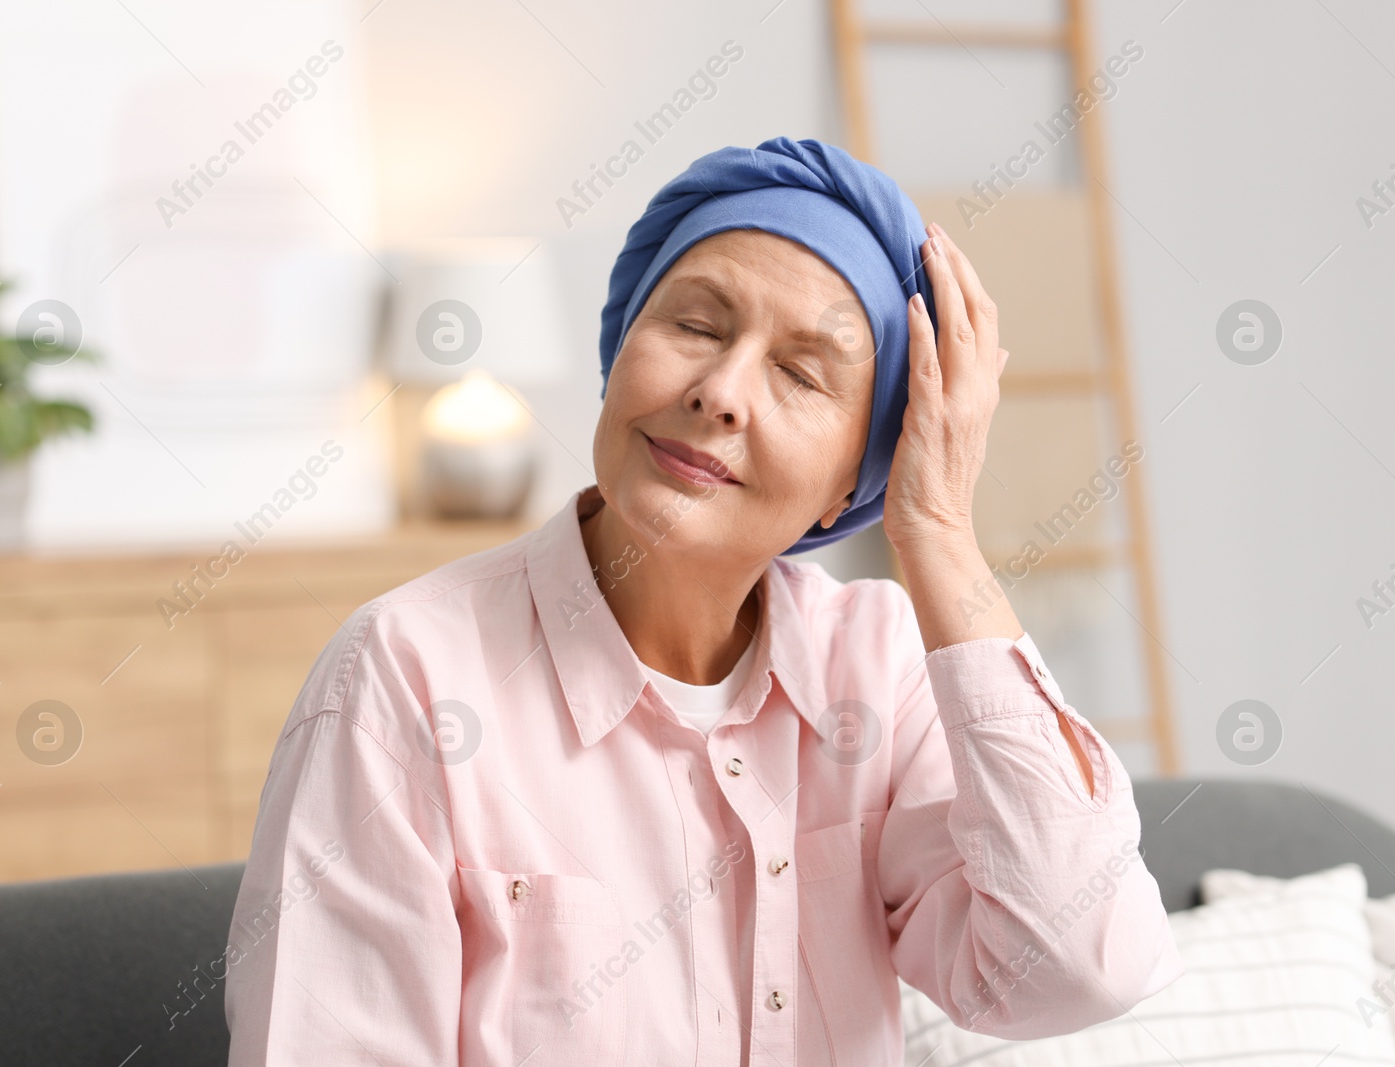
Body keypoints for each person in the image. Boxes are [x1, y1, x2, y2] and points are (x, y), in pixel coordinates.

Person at [223, 136, 1184, 1066]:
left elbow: (1080, 961)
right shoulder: (407, 677)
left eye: (801, 373)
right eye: (695, 325)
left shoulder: (878, 666)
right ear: (622, 346)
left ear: (856, 479)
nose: (722, 391)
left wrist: (937, 531)